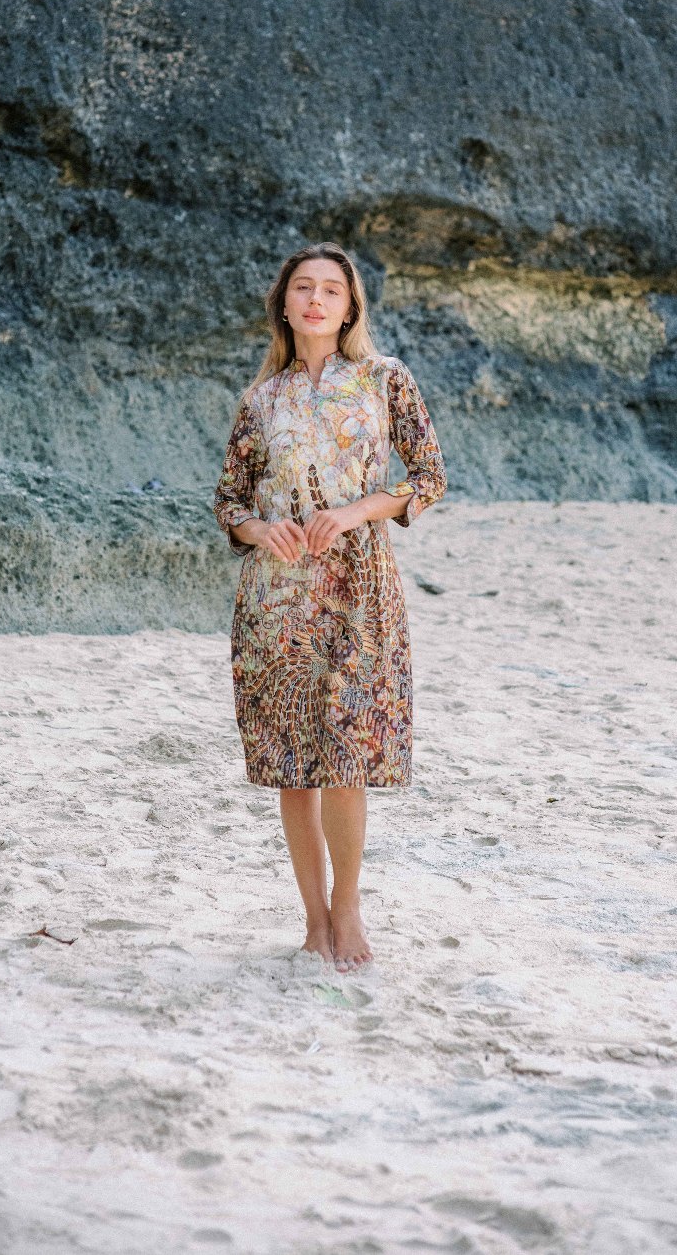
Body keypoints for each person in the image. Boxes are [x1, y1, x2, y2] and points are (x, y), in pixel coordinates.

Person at [212, 241, 447, 973]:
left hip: (359, 589)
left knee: (347, 757)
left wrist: (352, 513)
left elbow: (429, 476)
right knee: (294, 766)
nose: (316, 300)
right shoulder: (261, 400)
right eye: (303, 288)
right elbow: (228, 502)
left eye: (331, 291)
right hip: (276, 598)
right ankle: (313, 919)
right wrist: (262, 529)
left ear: (350, 309)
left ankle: (347, 907)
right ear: (284, 305)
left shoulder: (384, 379)